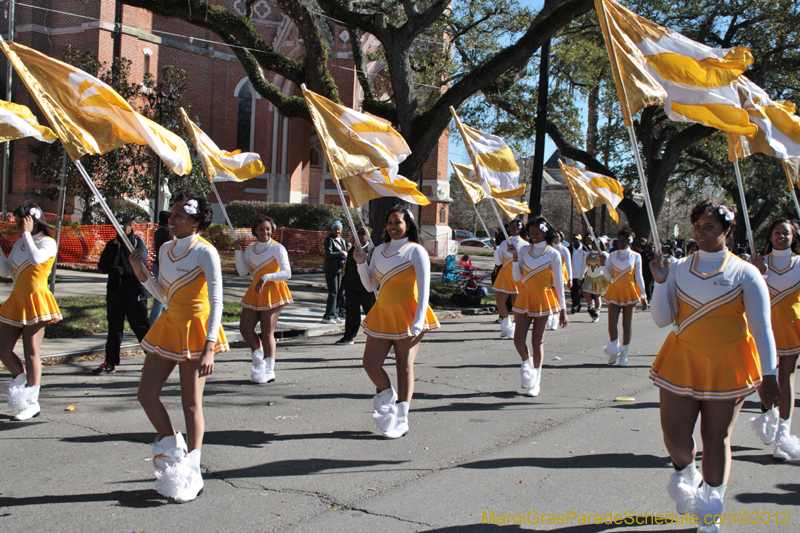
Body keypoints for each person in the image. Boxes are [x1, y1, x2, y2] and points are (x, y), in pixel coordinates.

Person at [649, 199, 778, 532]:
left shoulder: (745, 272)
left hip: (728, 364)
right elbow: (662, 320)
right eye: (697, 226)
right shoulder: (676, 268)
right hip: (682, 360)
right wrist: (661, 282)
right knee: (675, 438)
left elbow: (762, 327)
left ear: (727, 230)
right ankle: (687, 474)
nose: (702, 232)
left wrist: (770, 374)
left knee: (715, 436)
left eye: (710, 226)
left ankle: (710, 509)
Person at [129, 190, 229, 503]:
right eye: (171, 214)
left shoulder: (206, 252)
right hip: (170, 325)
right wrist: (140, 271)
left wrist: (210, 346)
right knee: (146, 393)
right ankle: (174, 444)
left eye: (178, 216)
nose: (171, 220)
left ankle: (194, 468)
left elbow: (216, 301)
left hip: (197, 330)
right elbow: (162, 295)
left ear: (196, 223)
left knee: (190, 403)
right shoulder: (165, 246)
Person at [355, 206, 439, 438]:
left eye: (398, 222)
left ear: (408, 225)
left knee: (404, 365)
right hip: (383, 313)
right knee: (370, 363)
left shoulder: (416, 251)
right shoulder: (379, 250)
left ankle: (402, 419)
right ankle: (387, 394)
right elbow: (371, 286)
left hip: (408, 314)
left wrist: (418, 321)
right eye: (390, 222)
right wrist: (361, 263)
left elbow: (424, 291)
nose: (393, 226)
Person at [0, 202, 62, 421]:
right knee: (3, 349)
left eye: (21, 220)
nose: (17, 224)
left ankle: (32, 402)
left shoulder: (48, 242)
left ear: (33, 219)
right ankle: (22, 379)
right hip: (16, 300)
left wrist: (27, 235)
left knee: (31, 352)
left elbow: (36, 259)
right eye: (16, 220)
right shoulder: (19, 243)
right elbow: (5, 271)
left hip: (37, 300)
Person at [749, 218, 800, 460]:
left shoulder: (799, 263)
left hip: (792, 327)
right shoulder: (759, 263)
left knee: (786, 377)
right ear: (769, 236)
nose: (781, 236)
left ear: (794, 238)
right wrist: (758, 273)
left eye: (786, 233)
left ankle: (783, 436)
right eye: (777, 232)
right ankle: (768, 414)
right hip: (763, 328)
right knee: (764, 376)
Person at [509, 217, 568, 397]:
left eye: (537, 233)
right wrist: (515, 259)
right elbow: (517, 278)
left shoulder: (553, 254)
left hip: (544, 298)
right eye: (531, 233)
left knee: (537, 341)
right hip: (525, 297)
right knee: (518, 340)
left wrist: (563, 310)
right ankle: (528, 367)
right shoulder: (524, 250)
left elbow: (558, 283)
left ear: (545, 232)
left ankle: (537, 381)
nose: (533, 236)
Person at [234, 216, 292, 383]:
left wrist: (265, 277)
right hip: (255, 291)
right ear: (255, 231)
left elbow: (287, 273)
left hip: (273, 291)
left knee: (267, 332)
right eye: (261, 229)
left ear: (272, 230)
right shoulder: (251, 248)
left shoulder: (277, 248)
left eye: (268, 229)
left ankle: (270, 369)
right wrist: (238, 251)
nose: (265, 232)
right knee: (245, 328)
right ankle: (259, 356)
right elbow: (243, 271)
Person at [92, 214, 151, 375]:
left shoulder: (136, 243)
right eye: (116, 228)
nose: (120, 231)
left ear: (130, 226)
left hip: (134, 292)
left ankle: (153, 359)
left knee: (141, 328)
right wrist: (113, 252)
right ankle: (110, 362)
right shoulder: (112, 244)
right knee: (114, 329)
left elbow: (139, 265)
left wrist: (125, 250)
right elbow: (102, 266)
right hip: (115, 292)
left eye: (122, 228)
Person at [603, 226, 647, 366]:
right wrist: (603, 264)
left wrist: (644, 295)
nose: (620, 243)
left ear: (630, 241)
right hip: (615, 290)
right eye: (619, 241)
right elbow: (608, 275)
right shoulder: (612, 256)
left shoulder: (635, 256)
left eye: (624, 241)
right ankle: (614, 350)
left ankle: (624, 355)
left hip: (629, 291)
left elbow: (638, 277)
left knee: (626, 325)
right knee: (612, 324)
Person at [336, 228, 376, 346]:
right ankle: (349, 337)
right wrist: (344, 284)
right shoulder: (352, 250)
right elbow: (346, 268)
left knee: (372, 313)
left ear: (367, 237)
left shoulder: (373, 251)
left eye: (362, 234)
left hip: (367, 289)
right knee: (352, 314)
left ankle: (378, 335)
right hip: (352, 287)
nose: (358, 236)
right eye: (356, 233)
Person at [492, 219, 523, 339]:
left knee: (516, 304)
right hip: (504, 274)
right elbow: (498, 262)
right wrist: (495, 249)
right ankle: (507, 325)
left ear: (520, 228)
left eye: (515, 227)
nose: (512, 229)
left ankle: (516, 327)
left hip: (517, 274)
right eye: (511, 227)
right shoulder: (504, 243)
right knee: (500, 301)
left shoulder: (525, 245)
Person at [322, 221, 348, 324]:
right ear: (332, 230)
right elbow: (329, 254)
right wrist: (340, 253)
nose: (337, 231)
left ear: (341, 230)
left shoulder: (342, 240)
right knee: (333, 292)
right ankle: (328, 316)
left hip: (340, 269)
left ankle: (336, 314)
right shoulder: (329, 240)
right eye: (335, 229)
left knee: (339, 292)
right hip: (331, 269)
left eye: (339, 229)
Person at [149, 210, 172, 325]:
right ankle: (153, 323)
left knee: (164, 296)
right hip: (163, 266)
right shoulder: (167, 233)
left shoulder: (159, 230)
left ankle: (161, 322)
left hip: (157, 264)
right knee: (161, 296)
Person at [581, 236, 610, 323]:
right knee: (586, 293)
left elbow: (608, 267)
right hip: (589, 277)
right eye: (593, 243)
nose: (594, 245)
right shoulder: (588, 254)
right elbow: (584, 266)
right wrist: (580, 277)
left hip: (599, 277)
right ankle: (591, 305)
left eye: (597, 244)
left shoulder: (604, 254)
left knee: (597, 295)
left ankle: (596, 312)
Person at [549, 231, 572, 330]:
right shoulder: (549, 248)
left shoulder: (564, 250)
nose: (555, 238)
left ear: (561, 238)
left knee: (559, 296)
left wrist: (570, 278)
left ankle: (556, 319)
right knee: (550, 295)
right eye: (554, 236)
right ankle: (550, 316)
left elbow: (568, 264)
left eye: (557, 236)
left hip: (560, 274)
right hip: (549, 275)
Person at [568, 235, 588, 314]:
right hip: (572, 273)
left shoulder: (584, 249)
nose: (575, 241)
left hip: (580, 273)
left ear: (580, 240)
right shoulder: (569, 249)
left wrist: (582, 275)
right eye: (574, 239)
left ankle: (576, 305)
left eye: (576, 239)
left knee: (579, 290)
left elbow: (585, 263)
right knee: (573, 290)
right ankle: (576, 304)